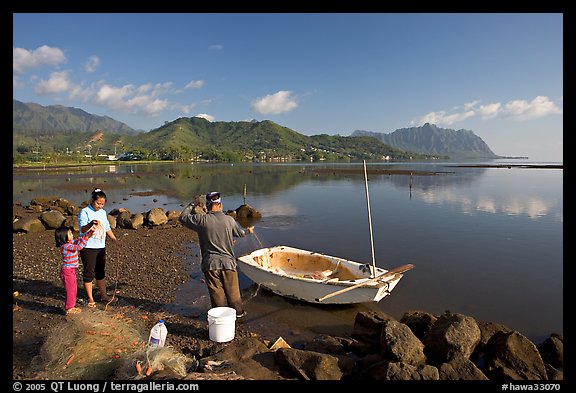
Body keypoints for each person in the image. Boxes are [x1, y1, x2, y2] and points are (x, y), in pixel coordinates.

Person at [179, 191, 254, 318]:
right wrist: (248, 230)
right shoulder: (229, 220)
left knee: (217, 298)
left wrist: (193, 204)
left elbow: (183, 217)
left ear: (207, 206)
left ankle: (219, 322)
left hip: (210, 266)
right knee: (235, 298)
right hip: (228, 265)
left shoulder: (201, 220)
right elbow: (240, 233)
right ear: (220, 205)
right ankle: (239, 321)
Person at [78, 188, 119, 308]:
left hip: (101, 246)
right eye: (98, 203)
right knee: (89, 272)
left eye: (102, 204)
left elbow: (107, 228)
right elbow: (82, 229)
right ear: (92, 200)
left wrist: (114, 239)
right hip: (88, 247)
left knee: (100, 272)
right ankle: (90, 298)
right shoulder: (84, 212)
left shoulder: (102, 213)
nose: (100, 206)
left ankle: (104, 295)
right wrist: (91, 224)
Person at [55, 224, 96, 315]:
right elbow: (78, 247)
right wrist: (86, 238)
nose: (72, 235)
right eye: (69, 234)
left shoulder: (70, 243)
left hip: (71, 270)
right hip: (67, 271)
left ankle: (71, 306)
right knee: (70, 290)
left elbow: (78, 240)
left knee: (73, 289)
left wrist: (89, 233)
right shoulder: (65, 246)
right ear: (63, 237)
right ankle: (69, 308)